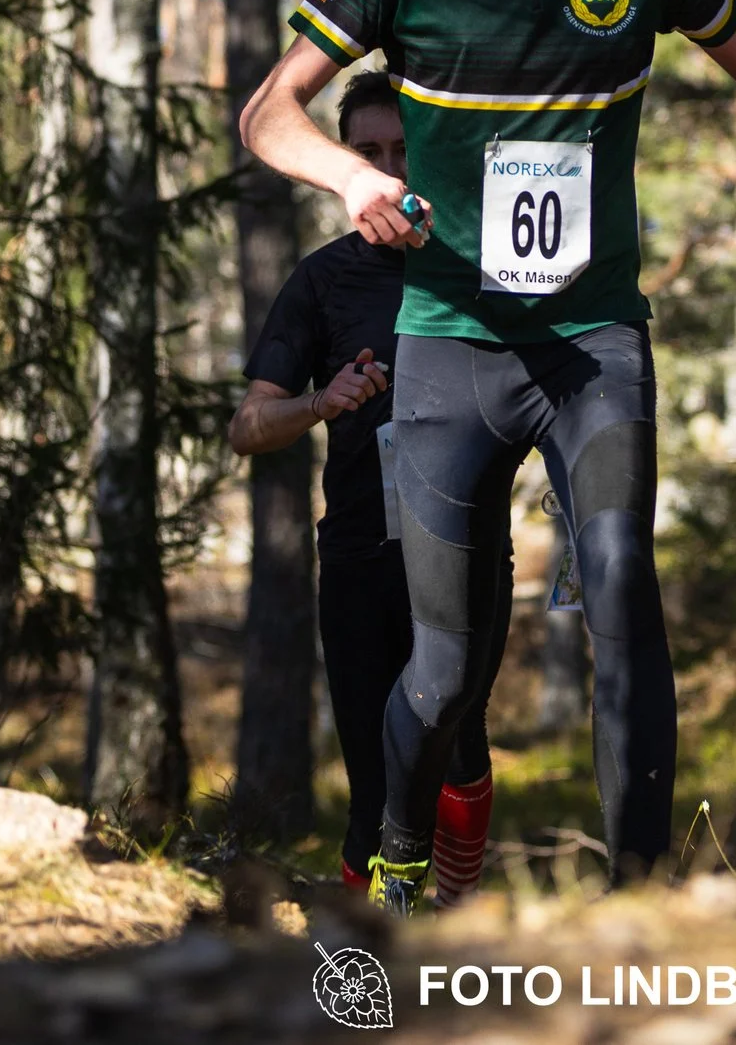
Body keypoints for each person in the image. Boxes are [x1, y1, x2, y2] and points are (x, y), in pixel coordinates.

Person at [240, 0, 736, 914]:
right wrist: (356, 175)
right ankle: (398, 856)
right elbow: (267, 114)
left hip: (590, 340)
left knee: (623, 592)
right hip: (448, 345)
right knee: (445, 661)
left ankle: (641, 905)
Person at [228, 71, 509, 908]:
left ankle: (452, 916)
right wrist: (323, 400)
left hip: (465, 548)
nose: (389, 168)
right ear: (342, 164)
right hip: (358, 553)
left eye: (403, 150)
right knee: (372, 783)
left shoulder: (480, 265)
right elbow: (249, 427)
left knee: (457, 743)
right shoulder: (322, 282)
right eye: (368, 152)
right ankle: (369, 967)